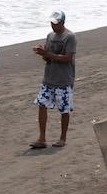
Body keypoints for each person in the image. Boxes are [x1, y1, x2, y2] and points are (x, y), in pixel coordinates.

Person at [30, 10, 77, 148]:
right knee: (41, 104)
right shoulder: (50, 36)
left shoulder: (70, 37)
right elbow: (47, 58)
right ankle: (42, 138)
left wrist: (47, 53)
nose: (53, 25)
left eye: (55, 23)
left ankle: (62, 138)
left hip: (63, 79)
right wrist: (42, 52)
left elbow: (68, 58)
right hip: (49, 79)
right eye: (51, 22)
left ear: (62, 22)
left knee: (64, 109)